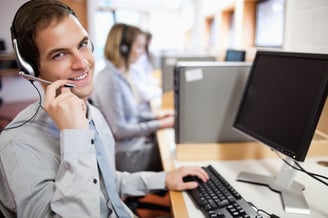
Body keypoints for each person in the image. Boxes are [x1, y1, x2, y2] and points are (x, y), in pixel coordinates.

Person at [0, 1, 208, 217]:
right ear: (32, 69)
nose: (82, 63)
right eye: (59, 54)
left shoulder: (92, 113)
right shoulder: (18, 146)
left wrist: (163, 178)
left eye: (82, 44)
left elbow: (105, 183)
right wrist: (75, 137)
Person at [91, 24, 174, 172]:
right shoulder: (109, 79)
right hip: (126, 155)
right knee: (173, 155)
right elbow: (119, 130)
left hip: (135, 145)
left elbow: (133, 115)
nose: (142, 52)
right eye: (139, 47)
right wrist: (159, 124)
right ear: (124, 48)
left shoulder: (120, 75)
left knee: (171, 143)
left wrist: (157, 117)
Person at [129, 31, 162, 112]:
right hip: (141, 108)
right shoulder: (133, 66)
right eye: (139, 47)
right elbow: (143, 93)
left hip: (143, 107)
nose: (142, 51)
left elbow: (146, 78)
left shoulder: (138, 61)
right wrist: (160, 91)